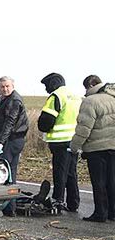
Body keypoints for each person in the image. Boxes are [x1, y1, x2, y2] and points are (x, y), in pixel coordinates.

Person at [70, 75, 115, 222]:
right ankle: (112, 213)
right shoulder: (113, 97)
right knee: (112, 181)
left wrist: (74, 147)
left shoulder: (90, 101)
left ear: (89, 86)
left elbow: (84, 129)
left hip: (97, 149)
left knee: (99, 182)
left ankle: (100, 213)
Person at [38, 73, 81, 214]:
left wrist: (42, 125)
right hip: (74, 140)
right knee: (71, 172)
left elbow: (46, 121)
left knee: (60, 172)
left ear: (52, 84)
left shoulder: (56, 96)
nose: (46, 89)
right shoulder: (75, 96)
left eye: (46, 86)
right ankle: (73, 203)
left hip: (60, 142)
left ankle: (58, 201)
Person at [0, 76, 29, 216]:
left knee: (5, 173)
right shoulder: (6, 99)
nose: (5, 89)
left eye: (7, 86)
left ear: (13, 86)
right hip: (12, 139)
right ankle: (9, 207)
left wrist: (0, 141)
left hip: (11, 140)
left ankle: (9, 207)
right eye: (2, 87)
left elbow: (10, 122)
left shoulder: (14, 100)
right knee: (9, 172)